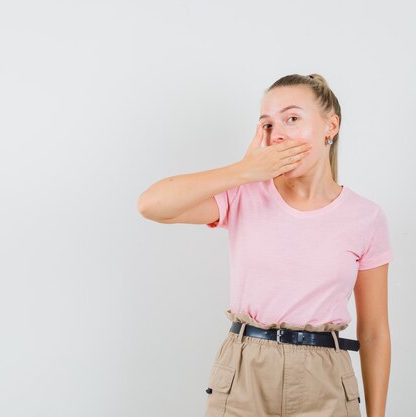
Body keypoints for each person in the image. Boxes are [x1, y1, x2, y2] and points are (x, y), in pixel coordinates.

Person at [138, 73, 393, 417]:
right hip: (245, 372)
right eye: (268, 125)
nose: (279, 134)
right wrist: (244, 170)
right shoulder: (244, 195)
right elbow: (152, 205)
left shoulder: (366, 217)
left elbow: (375, 332)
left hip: (326, 378)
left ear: (330, 126)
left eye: (292, 118)